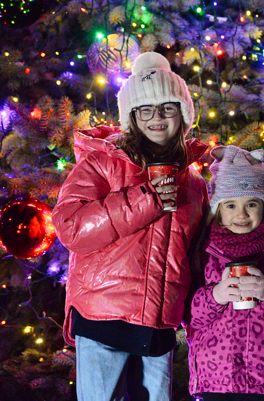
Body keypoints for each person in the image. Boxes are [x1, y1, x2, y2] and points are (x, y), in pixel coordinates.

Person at [52, 51, 209, 401]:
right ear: (132, 116)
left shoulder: (194, 181)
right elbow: (70, 226)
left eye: (167, 107)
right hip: (103, 315)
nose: (157, 117)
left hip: (159, 324)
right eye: (145, 109)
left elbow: (196, 252)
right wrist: (146, 199)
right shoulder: (102, 161)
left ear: (183, 113)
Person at [186, 145, 264, 401]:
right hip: (215, 380)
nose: (241, 214)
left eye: (251, 204)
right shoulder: (203, 251)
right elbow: (188, 315)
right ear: (218, 210)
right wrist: (216, 295)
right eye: (230, 205)